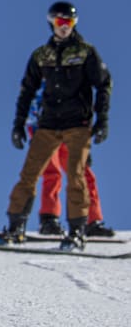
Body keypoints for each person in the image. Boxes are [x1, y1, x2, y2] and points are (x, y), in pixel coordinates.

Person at [0, 1, 111, 251]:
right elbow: (27, 90)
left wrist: (101, 120)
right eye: (60, 22)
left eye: (69, 22)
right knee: (29, 174)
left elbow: (103, 85)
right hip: (47, 124)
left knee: (77, 175)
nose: (64, 27)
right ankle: (15, 227)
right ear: (51, 23)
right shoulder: (41, 55)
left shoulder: (85, 52)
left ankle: (78, 230)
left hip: (77, 123)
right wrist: (18, 124)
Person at [27, 84, 115, 237]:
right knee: (52, 172)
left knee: (83, 175)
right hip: (45, 128)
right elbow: (33, 100)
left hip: (71, 129)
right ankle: (49, 219)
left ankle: (92, 221)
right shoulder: (46, 72)